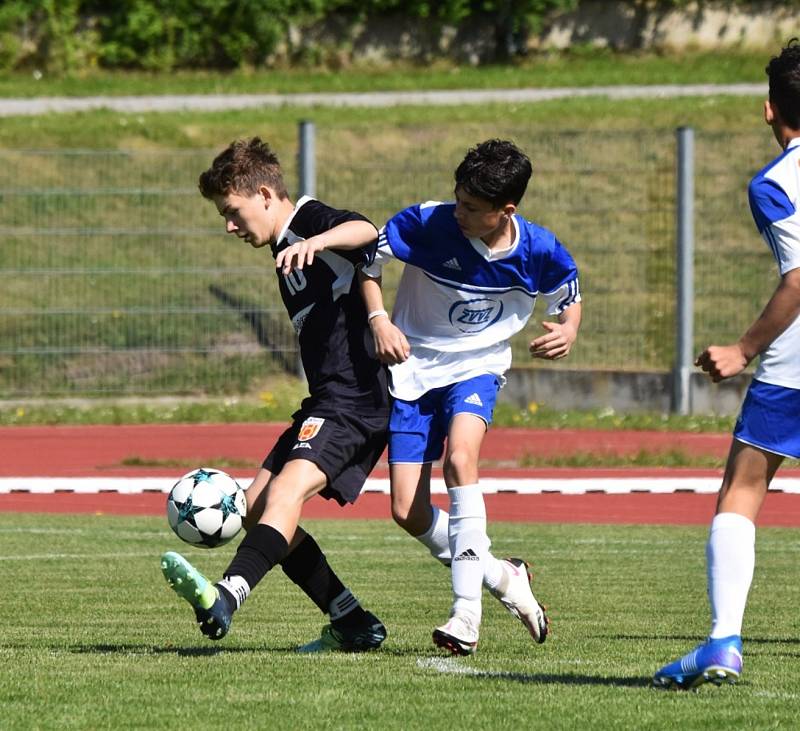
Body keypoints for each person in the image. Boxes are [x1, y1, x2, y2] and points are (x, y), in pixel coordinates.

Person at [160, 137, 391, 652]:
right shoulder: (282, 252)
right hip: (326, 401)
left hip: (354, 401)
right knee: (254, 507)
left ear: (265, 193)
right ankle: (352, 620)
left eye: (233, 212)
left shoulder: (306, 221)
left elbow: (369, 231)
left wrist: (322, 240)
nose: (229, 226)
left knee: (284, 497)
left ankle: (226, 595)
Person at [359, 139, 582, 655]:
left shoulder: (540, 250)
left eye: (472, 208)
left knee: (461, 460)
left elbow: (569, 294)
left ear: (507, 211)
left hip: (477, 368)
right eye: (457, 199)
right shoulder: (425, 222)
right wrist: (379, 319)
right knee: (405, 511)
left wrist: (568, 330)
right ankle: (505, 577)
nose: (459, 212)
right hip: (412, 370)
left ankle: (466, 616)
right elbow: (369, 264)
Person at [653, 40, 800, 690]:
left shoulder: (774, 183)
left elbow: (798, 279)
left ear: (771, 110)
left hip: (793, 364)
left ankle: (723, 641)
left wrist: (742, 348)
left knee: (742, 489)